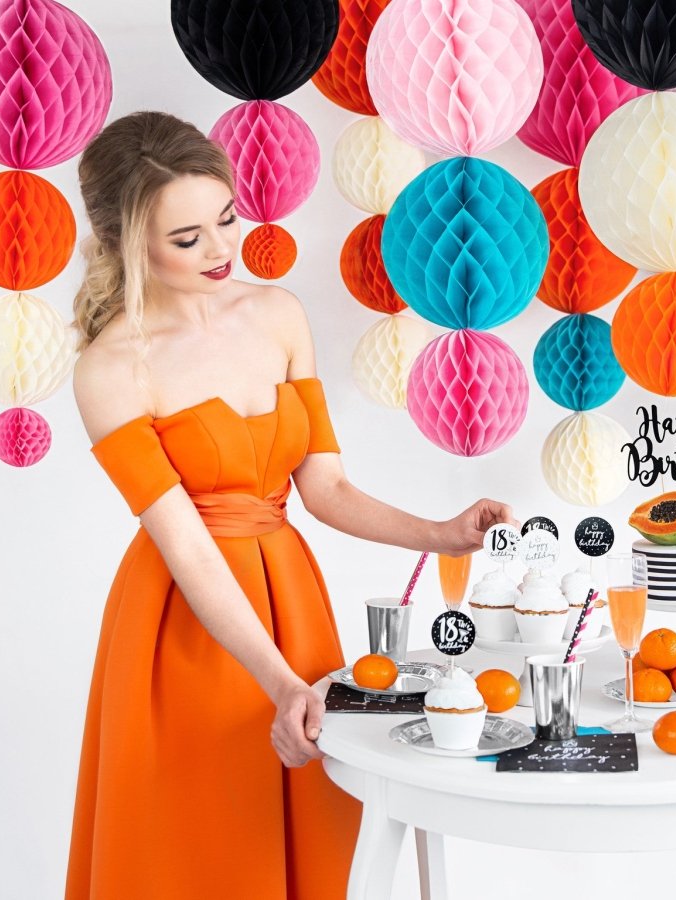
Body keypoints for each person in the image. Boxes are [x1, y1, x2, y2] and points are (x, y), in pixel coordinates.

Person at [65, 110, 515, 899]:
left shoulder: (278, 315)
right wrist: (279, 684)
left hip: (291, 601)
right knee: (203, 842)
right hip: (182, 624)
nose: (220, 249)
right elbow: (186, 545)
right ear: (125, 243)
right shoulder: (110, 370)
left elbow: (325, 488)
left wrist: (441, 535)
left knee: (319, 824)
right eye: (187, 239)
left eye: (226, 218)